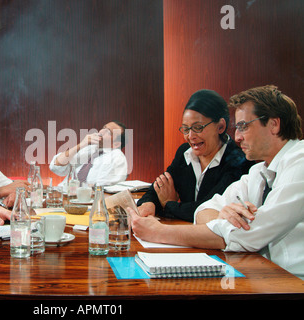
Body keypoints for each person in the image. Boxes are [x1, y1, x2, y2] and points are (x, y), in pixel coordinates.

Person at [129, 85, 304, 279]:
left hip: (292, 282)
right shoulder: (259, 171)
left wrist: (159, 232)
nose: (237, 137)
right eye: (237, 127)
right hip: (264, 276)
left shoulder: (300, 163)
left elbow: (248, 235)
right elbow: (204, 209)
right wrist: (222, 214)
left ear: (274, 124)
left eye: (244, 126)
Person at [137, 89, 253, 222]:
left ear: (220, 126)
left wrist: (168, 205)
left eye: (198, 128)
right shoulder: (184, 152)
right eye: (186, 129)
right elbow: (160, 186)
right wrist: (148, 203)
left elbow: (206, 209)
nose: (190, 136)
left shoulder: (238, 161)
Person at [49, 121, 128, 188]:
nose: (101, 132)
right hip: (63, 193)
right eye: (104, 128)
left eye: (108, 132)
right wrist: (81, 145)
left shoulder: (117, 157)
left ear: (116, 144)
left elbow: (102, 188)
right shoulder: (89, 148)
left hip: (86, 201)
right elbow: (56, 166)